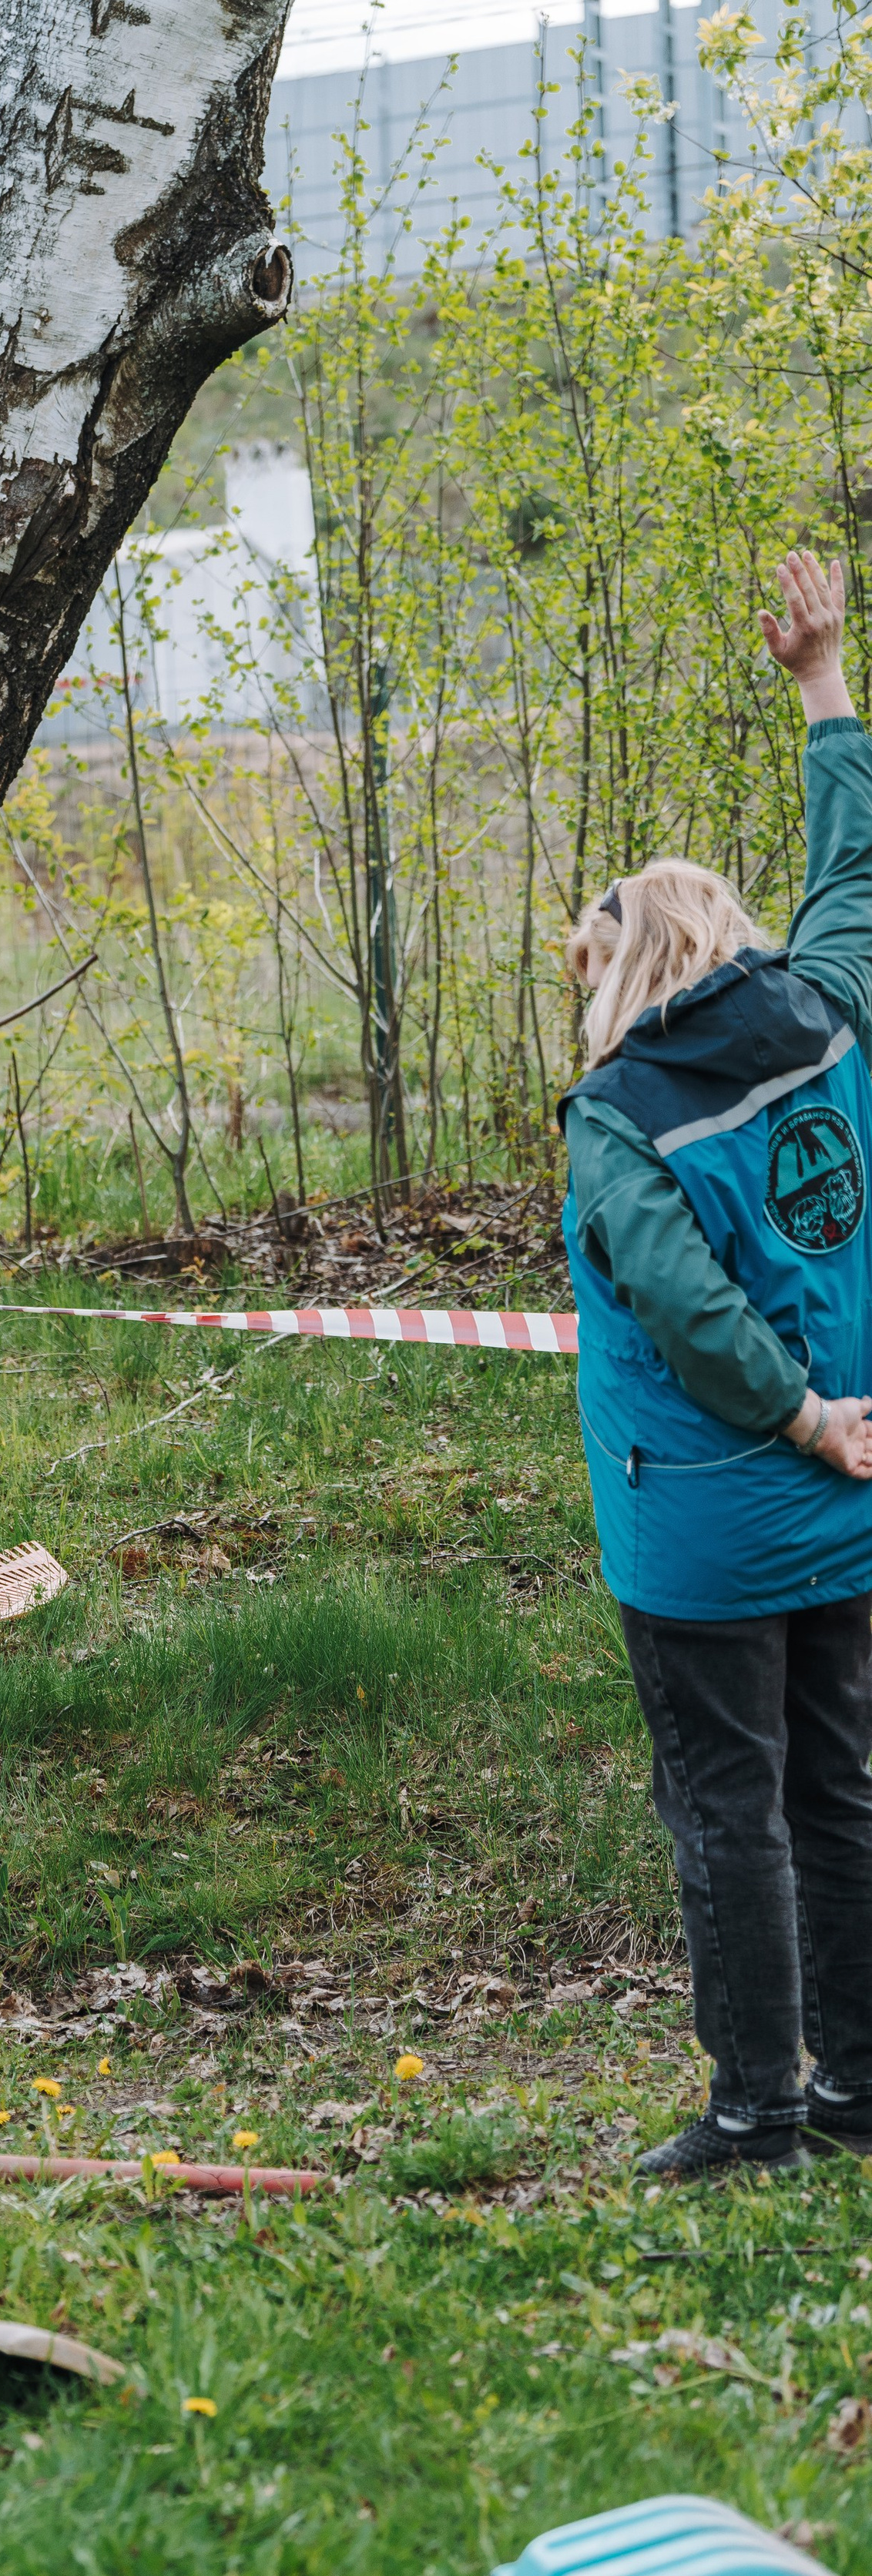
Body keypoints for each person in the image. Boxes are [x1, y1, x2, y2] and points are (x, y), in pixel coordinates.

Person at [562, 549, 872, 2182]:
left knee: (724, 1814)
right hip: (848, 1503)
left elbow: (681, 1305)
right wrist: (818, 683)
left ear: (622, 964)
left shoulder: (617, 1121)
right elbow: (860, 870)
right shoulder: (826, 1014)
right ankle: (862, 2084)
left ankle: (754, 2104)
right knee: (840, 1788)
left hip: (707, 1522)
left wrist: (794, 1415)